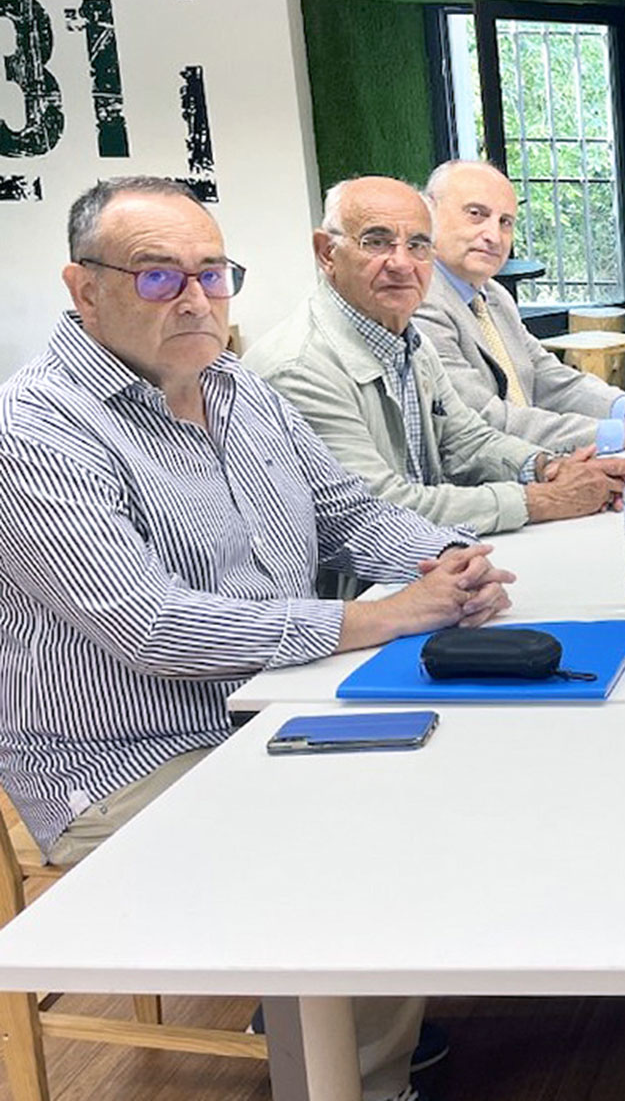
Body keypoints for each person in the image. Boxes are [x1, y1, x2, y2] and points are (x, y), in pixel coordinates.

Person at [0, 177, 513, 1101]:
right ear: (84, 289)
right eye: (159, 277)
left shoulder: (236, 389)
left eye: (212, 273)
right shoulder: (34, 430)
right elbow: (150, 624)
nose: (195, 298)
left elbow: (347, 509)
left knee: (454, 767)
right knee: (362, 830)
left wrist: (451, 559)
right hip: (127, 757)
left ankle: (338, 1029)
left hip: (272, 703)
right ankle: (347, 1072)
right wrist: (375, 617)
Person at [246, 176, 625, 536]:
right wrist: (542, 498)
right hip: (355, 594)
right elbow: (379, 507)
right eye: (377, 242)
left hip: (420, 559)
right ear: (327, 253)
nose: (401, 263)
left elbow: (468, 440)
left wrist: (548, 467)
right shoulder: (301, 368)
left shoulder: (410, 341)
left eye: (417, 245)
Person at [413, 159, 625, 453]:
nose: (493, 236)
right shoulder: (419, 302)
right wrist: (620, 434)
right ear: (428, 213)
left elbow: (546, 377)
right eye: (476, 214)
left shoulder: (493, 296)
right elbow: (483, 419)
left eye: (505, 222)